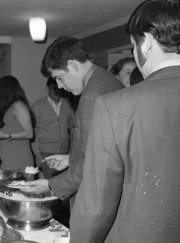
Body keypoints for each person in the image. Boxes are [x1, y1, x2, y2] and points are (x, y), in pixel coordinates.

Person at [70, 0, 180, 242]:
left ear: (147, 42)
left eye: (134, 45)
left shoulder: (115, 106)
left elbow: (95, 209)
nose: (134, 53)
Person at [27, 36, 124, 207]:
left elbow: (92, 162)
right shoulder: (106, 80)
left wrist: (51, 184)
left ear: (72, 65)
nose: (60, 86)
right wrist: (70, 158)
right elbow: (104, 147)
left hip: (97, 195)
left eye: (59, 77)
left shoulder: (92, 95)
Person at [0, 75, 33, 172]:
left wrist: (6, 135)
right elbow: (3, 135)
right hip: (8, 159)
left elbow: (29, 133)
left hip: (18, 159)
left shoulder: (18, 105)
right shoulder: (10, 107)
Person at [31, 77, 75, 178]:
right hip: (46, 152)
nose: (57, 91)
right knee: (51, 183)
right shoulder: (38, 106)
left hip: (64, 151)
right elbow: (33, 131)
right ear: (48, 88)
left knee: (63, 183)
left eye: (59, 88)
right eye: (53, 88)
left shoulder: (66, 104)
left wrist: (72, 149)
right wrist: (37, 154)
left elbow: (73, 127)